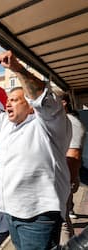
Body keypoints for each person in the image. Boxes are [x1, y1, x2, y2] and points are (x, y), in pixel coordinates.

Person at [0, 50, 72, 249]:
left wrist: (17, 69)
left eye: (14, 99)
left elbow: (43, 98)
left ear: (31, 106)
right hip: (11, 213)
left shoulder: (49, 123)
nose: (7, 103)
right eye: (8, 100)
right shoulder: (7, 123)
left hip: (38, 216)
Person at [60, 93, 86, 244]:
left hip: (62, 181)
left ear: (63, 103)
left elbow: (74, 156)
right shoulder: (62, 121)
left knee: (63, 221)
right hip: (59, 180)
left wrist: (71, 180)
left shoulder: (71, 123)